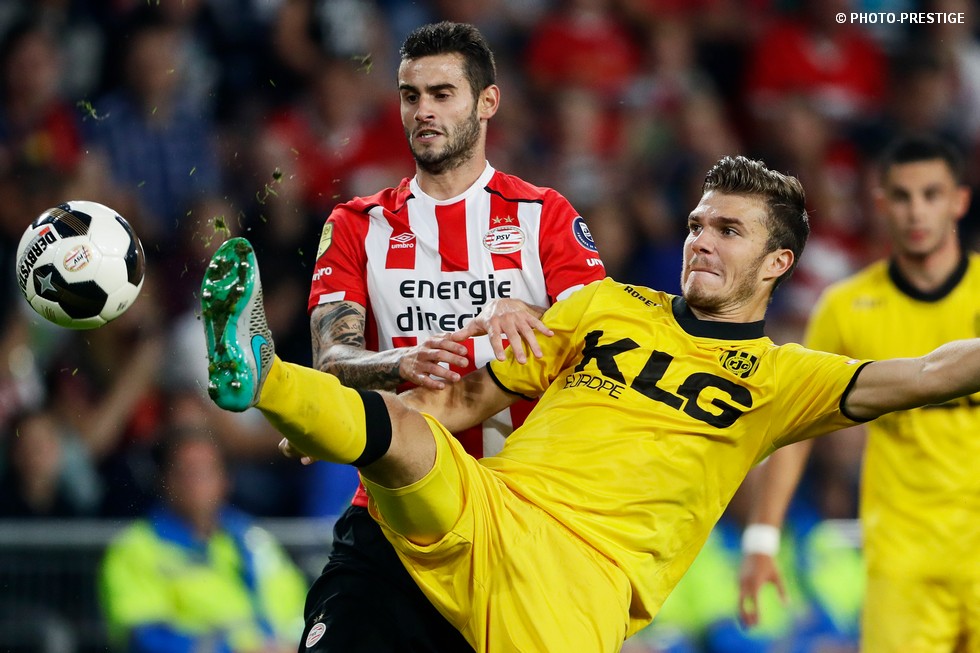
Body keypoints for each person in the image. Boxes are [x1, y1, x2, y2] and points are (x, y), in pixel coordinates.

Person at [200, 152, 980, 652]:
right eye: (697, 224)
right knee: (404, 432)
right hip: (493, 511)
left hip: (578, 586)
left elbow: (927, 371)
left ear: (777, 262)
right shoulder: (605, 304)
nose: (701, 240)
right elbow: (459, 401)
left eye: (729, 230)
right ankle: (264, 373)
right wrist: (332, 425)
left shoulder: (781, 377)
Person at [295, 21, 606, 653]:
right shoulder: (357, 224)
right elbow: (333, 359)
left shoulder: (544, 217)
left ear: (488, 102)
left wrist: (529, 314)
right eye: (411, 96)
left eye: (442, 94)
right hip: (393, 515)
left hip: (515, 521)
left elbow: (605, 345)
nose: (423, 112)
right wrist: (404, 359)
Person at [737, 134, 980, 651]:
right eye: (902, 196)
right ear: (881, 205)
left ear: (959, 201)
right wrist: (762, 538)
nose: (917, 211)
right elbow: (796, 424)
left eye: (931, 194)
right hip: (902, 563)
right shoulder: (845, 307)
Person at [98, 424, 309, 653]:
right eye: (187, 471)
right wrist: (235, 650)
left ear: (226, 480)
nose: (197, 482)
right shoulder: (135, 548)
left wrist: (294, 645)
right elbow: (145, 639)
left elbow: (300, 610)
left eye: (207, 471)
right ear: (164, 480)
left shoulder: (252, 539)